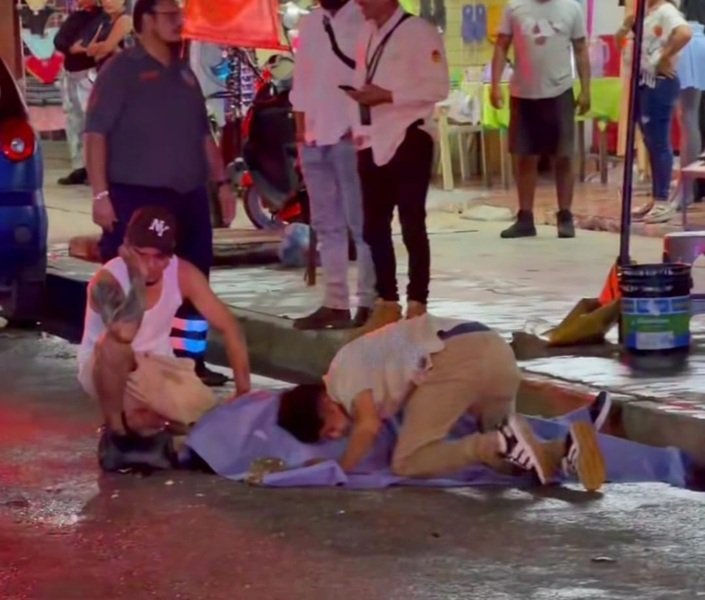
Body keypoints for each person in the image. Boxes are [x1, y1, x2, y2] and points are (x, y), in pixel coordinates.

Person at [84, 0, 237, 386]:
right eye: (170, 15)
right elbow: (95, 134)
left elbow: (203, 135)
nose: (179, 21)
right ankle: (124, 364)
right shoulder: (121, 70)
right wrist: (100, 196)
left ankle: (189, 362)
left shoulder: (184, 72)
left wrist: (222, 183)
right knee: (133, 280)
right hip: (136, 196)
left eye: (179, 14)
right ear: (146, 20)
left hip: (189, 196)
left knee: (193, 278)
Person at [277, 317, 607, 492]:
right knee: (510, 463)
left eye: (329, 431)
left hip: (457, 357)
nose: (336, 436)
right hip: (497, 356)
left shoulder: (341, 376)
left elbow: (368, 425)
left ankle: (497, 440)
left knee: (407, 463)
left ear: (324, 402)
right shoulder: (360, 363)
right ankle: (565, 449)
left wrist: (339, 470)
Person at [77, 206, 251, 471]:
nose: (150, 265)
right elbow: (123, 333)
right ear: (126, 248)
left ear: (170, 256)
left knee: (209, 422)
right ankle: (117, 434)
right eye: (141, 255)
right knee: (114, 346)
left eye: (159, 257)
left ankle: (153, 424)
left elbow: (230, 327)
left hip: (158, 368)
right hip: (108, 369)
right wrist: (136, 278)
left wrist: (243, 391)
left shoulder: (183, 274)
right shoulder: (107, 280)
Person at [342, 0, 449, 334]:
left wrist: (389, 95)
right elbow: (362, 81)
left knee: (412, 222)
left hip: (409, 135)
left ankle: (417, 302)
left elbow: (438, 87)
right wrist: (357, 128)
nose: (358, 2)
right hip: (372, 138)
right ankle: (387, 301)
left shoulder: (420, 31)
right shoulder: (366, 33)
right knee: (373, 226)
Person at [289, 0, 377, 331]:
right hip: (314, 137)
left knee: (362, 225)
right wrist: (301, 133)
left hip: (350, 136)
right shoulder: (312, 21)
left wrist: (362, 128)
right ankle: (335, 303)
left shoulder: (365, 18)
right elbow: (301, 81)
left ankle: (368, 302)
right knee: (327, 226)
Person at [491, 0, 591, 239]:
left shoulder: (571, 8)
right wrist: (494, 85)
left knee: (563, 156)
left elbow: (580, 49)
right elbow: (502, 45)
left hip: (559, 90)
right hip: (523, 93)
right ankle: (525, 217)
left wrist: (586, 89)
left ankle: (565, 216)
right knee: (524, 156)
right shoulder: (514, 7)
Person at [616, 0, 692, 222]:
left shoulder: (666, 11)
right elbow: (623, 45)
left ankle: (662, 200)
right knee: (650, 141)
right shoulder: (645, 13)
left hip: (659, 82)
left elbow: (684, 33)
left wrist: (664, 57)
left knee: (658, 141)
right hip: (642, 81)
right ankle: (655, 197)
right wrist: (625, 28)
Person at [53, 0, 102, 186]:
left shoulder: (102, 19)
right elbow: (59, 40)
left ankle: (94, 169)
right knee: (74, 121)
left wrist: (77, 47)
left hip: (89, 74)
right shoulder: (77, 16)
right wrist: (70, 47)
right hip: (70, 73)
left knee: (91, 121)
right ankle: (79, 167)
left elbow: (92, 44)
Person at [85, 0, 133, 70]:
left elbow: (104, 51)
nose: (107, 1)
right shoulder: (104, 23)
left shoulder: (125, 20)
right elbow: (89, 51)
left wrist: (106, 47)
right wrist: (108, 46)